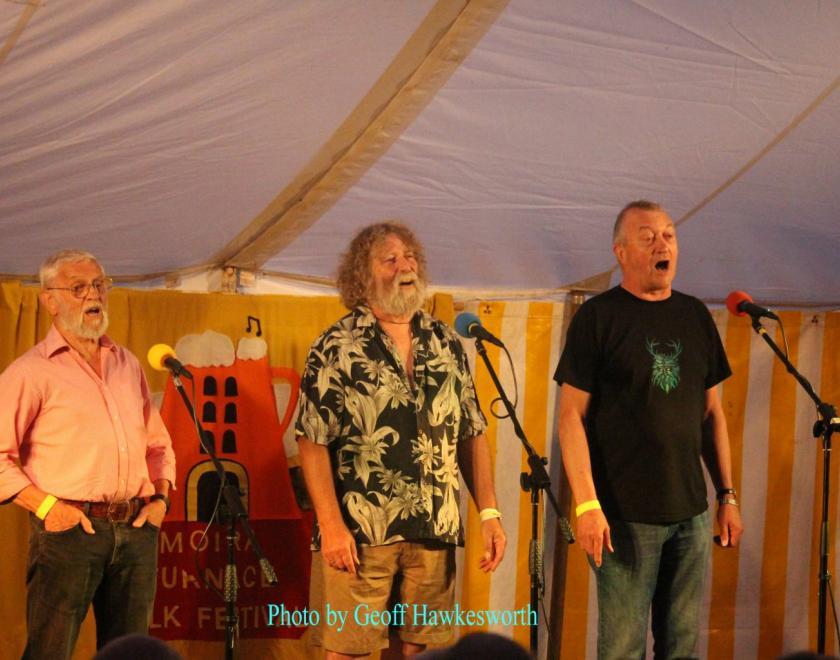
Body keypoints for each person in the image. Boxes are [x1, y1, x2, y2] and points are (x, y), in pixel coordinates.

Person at [295, 221, 506, 659]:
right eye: (389, 259)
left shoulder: (446, 341)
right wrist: (331, 526)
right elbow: (311, 440)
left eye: (410, 257)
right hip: (360, 532)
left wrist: (488, 511)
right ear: (362, 276)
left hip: (434, 530)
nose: (404, 265)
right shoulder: (336, 345)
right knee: (349, 651)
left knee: (425, 650)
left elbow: (471, 431)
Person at [554, 200, 743, 659]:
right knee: (622, 649)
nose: (663, 244)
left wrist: (727, 496)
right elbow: (569, 418)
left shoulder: (696, 315)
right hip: (623, 517)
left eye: (670, 235)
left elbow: (712, 414)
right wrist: (586, 505)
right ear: (621, 252)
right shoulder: (598, 318)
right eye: (648, 237)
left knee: (681, 647)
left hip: (691, 515)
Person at [0, 249, 176, 660]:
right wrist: (49, 509)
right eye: (78, 288)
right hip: (69, 533)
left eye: (99, 284)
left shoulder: (127, 364)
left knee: (130, 652)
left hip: (136, 527)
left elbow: (158, 443)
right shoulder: (30, 373)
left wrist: (161, 500)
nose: (93, 295)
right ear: (50, 300)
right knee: (50, 652)